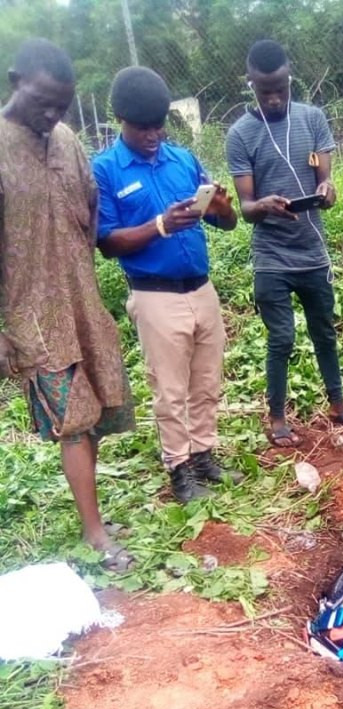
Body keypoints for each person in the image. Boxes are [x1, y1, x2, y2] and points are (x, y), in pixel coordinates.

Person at [0, 38, 135, 570]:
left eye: (63, 103)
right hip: (30, 312)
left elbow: (90, 208)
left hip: (81, 299)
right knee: (73, 420)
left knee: (94, 412)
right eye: (43, 100)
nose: (53, 113)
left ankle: (91, 515)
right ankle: (95, 533)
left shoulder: (68, 141)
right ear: (15, 82)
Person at [93, 67, 238, 504]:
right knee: (170, 390)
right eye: (142, 127)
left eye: (158, 125)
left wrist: (223, 208)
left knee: (207, 381)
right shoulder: (105, 170)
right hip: (154, 294)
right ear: (120, 118)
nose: (153, 134)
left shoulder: (183, 160)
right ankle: (179, 467)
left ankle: (204, 454)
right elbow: (107, 242)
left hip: (201, 288)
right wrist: (159, 225)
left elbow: (225, 223)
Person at [226, 39, 343, 447]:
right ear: (250, 84)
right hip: (272, 257)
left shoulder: (312, 119)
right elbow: (246, 208)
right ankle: (276, 416)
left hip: (312, 249)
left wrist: (327, 190)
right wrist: (262, 205)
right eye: (264, 90)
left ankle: (338, 404)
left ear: (290, 79)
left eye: (280, 89)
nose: (273, 98)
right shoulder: (241, 134)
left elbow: (328, 185)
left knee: (324, 330)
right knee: (281, 338)